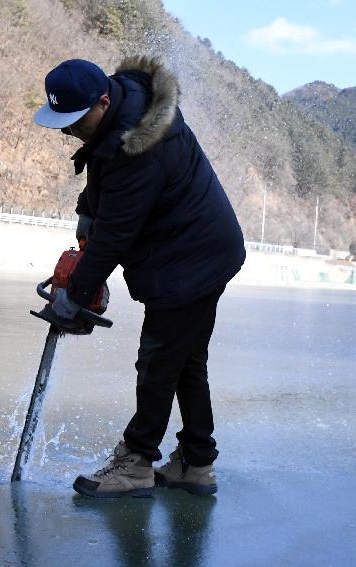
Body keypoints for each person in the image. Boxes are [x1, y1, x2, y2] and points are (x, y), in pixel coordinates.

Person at [33, 57, 246, 498]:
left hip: (193, 258)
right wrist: (86, 215)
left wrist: (76, 292)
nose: (68, 132)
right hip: (194, 248)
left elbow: (116, 234)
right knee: (186, 360)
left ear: (103, 101)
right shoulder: (121, 119)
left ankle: (136, 462)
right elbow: (101, 170)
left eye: (74, 121)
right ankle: (195, 462)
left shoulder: (142, 145)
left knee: (158, 361)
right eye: (62, 123)